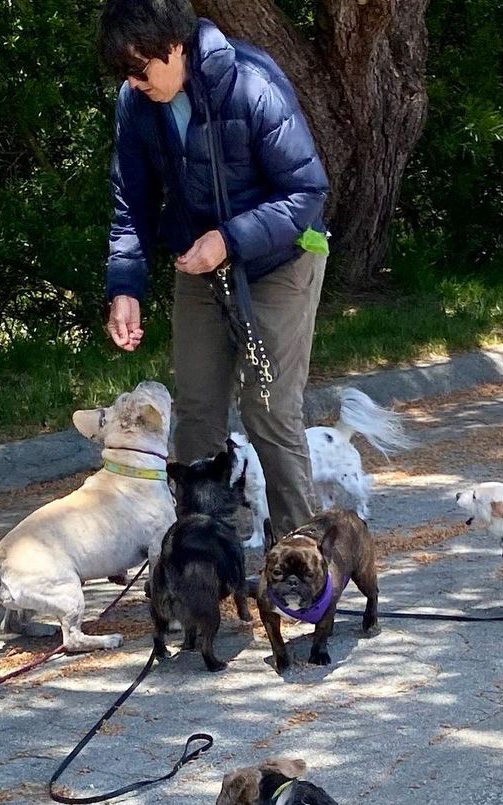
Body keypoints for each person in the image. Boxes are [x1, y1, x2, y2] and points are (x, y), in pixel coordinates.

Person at [97, 0, 329, 539]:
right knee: (197, 414)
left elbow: (307, 192)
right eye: (124, 74)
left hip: (281, 258)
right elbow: (130, 204)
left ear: (174, 46)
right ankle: (204, 563)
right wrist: (125, 288)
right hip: (200, 265)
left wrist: (228, 239)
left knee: (267, 410)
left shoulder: (251, 84)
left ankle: (304, 565)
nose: (133, 84)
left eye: (140, 69)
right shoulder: (136, 104)